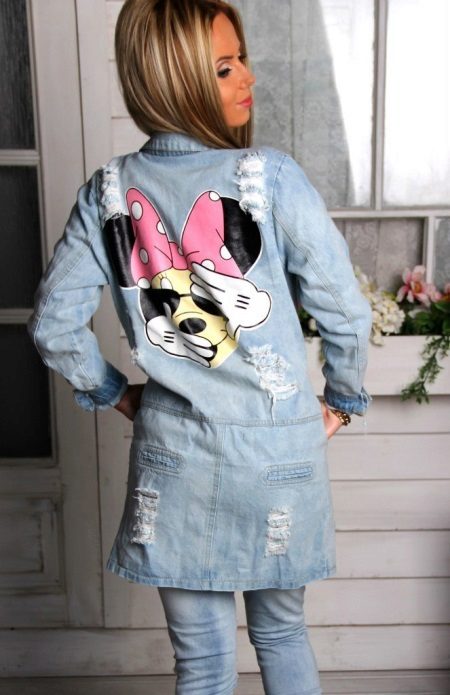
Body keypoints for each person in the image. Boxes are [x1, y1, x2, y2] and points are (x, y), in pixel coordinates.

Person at [28, 1, 372, 693]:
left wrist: (116, 394)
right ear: (174, 76)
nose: (248, 76)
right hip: (278, 454)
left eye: (242, 58)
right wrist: (342, 399)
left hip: (173, 460)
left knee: (203, 664)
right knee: (282, 634)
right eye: (223, 67)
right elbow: (344, 309)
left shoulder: (108, 192)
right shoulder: (271, 178)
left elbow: (53, 326)